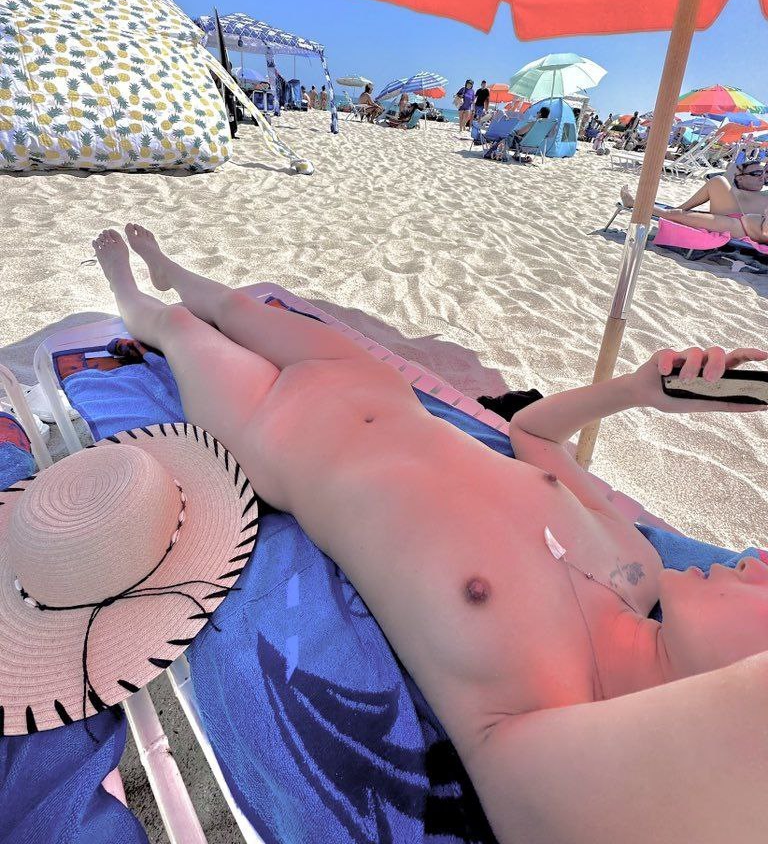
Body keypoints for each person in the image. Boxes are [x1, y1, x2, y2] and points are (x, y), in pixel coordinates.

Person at [88, 223, 768, 844]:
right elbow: (531, 435)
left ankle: (132, 291)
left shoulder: (538, 725)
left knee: (179, 327)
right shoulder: (637, 561)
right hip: (373, 384)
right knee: (237, 307)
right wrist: (636, 392)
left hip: (274, 435)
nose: (759, 562)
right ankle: (168, 266)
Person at [621, 180, 768, 245]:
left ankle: (634, 203)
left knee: (676, 216)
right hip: (738, 218)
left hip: (736, 227)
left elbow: (765, 231)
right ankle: (679, 208)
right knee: (717, 182)